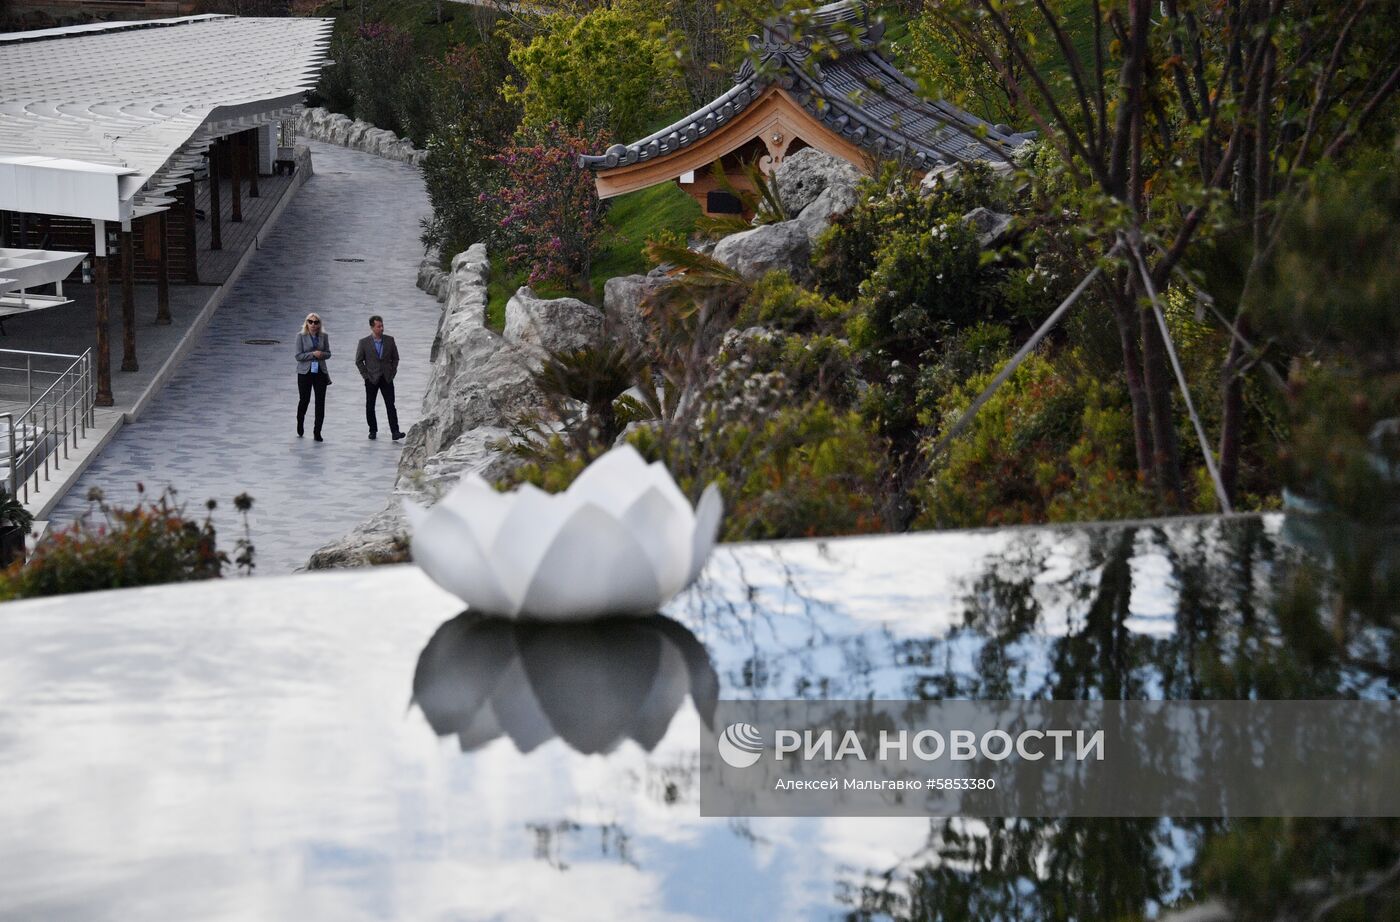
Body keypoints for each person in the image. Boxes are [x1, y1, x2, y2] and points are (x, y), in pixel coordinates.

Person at [354, 314, 404, 441]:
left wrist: (392, 373)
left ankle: (395, 431)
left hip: (387, 378)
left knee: (390, 405)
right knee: (370, 405)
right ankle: (373, 430)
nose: (381, 328)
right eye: (378, 326)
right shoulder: (364, 342)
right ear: (372, 327)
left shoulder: (389, 340)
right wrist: (366, 376)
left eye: (382, 326)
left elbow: (396, 358)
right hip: (371, 378)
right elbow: (359, 361)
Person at [294, 313, 332, 442]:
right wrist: (312, 354)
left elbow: (328, 353)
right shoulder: (300, 336)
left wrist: (322, 354)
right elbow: (298, 356)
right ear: (306, 323)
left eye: (316, 322)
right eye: (310, 322)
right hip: (305, 372)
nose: (313, 325)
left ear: (319, 324)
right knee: (304, 399)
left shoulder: (324, 336)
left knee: (320, 402)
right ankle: (300, 422)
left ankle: (317, 431)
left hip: (320, 372)